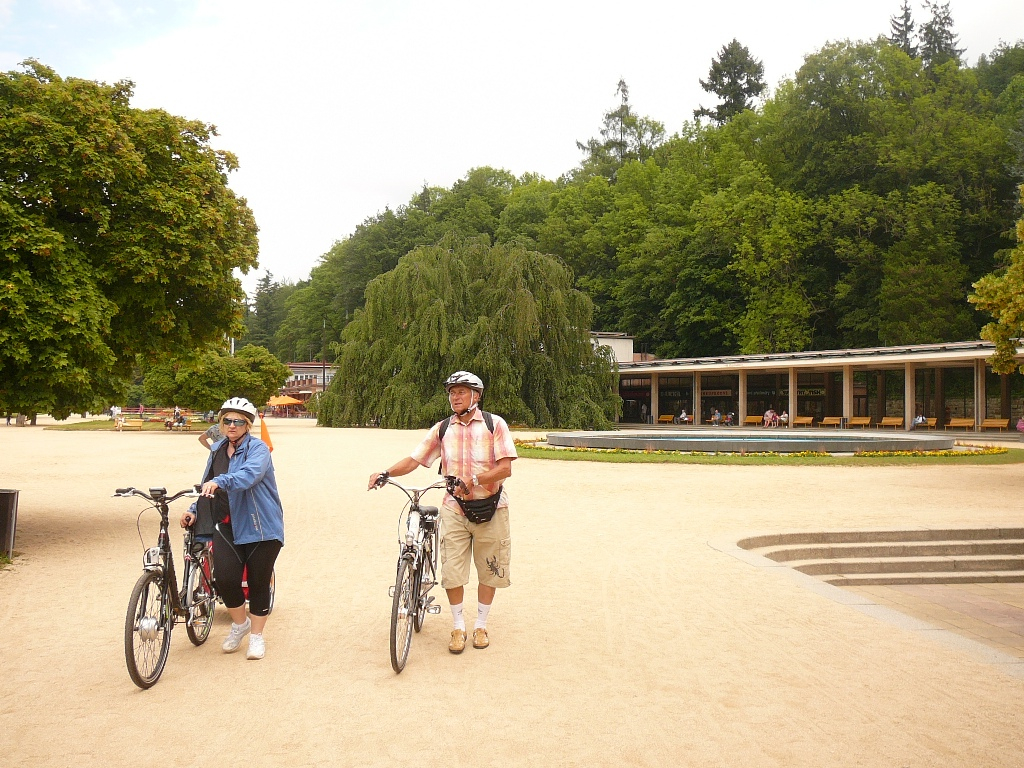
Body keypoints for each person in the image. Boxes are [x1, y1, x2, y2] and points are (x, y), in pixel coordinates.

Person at [368, 371, 517, 654]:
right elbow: (415, 459)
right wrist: (385, 472)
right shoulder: (443, 428)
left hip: (492, 506)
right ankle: (458, 626)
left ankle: (481, 625)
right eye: (452, 393)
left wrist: (474, 480)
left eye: (461, 392)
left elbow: (505, 468)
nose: (455, 397)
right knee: (452, 571)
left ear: (476, 396)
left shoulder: (494, 424)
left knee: (491, 568)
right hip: (455, 508)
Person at [180, 397, 284, 661]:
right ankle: (240, 624)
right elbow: (207, 483)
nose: (232, 425)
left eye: (238, 421)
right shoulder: (217, 450)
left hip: (260, 525)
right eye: (227, 420)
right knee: (224, 580)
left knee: (258, 582)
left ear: (247, 425)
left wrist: (221, 481)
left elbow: (249, 475)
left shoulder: (258, 449)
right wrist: (194, 510)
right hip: (226, 523)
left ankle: (257, 637)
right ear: (221, 423)